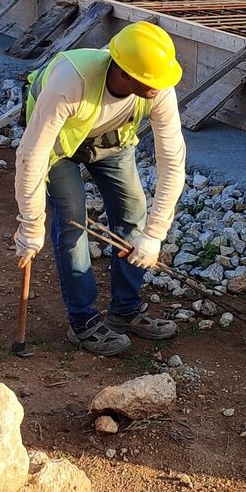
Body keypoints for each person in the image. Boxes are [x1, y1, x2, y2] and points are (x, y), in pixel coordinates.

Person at [12, 22, 188, 356]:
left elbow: (173, 161)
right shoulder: (71, 82)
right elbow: (31, 156)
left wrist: (154, 234)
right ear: (123, 71)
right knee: (73, 219)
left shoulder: (157, 84)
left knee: (133, 210)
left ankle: (126, 309)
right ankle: (83, 322)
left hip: (111, 141)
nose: (160, 87)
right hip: (58, 147)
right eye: (152, 82)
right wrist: (30, 225)